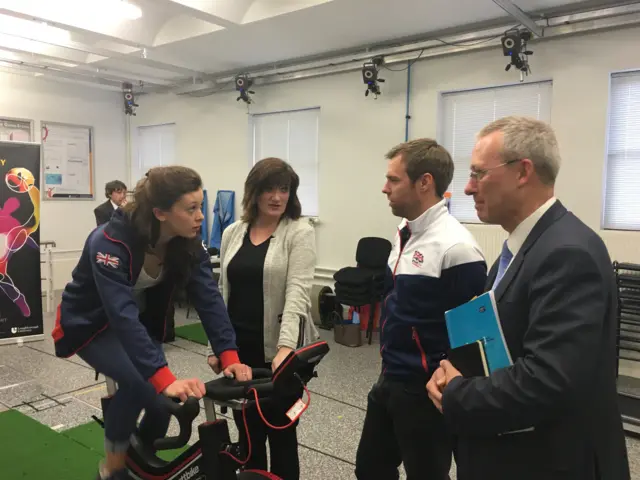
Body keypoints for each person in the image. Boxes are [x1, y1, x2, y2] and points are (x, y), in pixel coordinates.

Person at [426, 116, 630, 480]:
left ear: (523, 172)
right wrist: (454, 371)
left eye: (478, 174)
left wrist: (459, 393)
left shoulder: (567, 252)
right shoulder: (523, 248)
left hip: (548, 462)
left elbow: (548, 379)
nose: (468, 188)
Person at [52, 166, 252, 480]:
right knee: (139, 382)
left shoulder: (186, 240)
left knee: (161, 403)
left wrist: (229, 353)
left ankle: (139, 458)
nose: (200, 216)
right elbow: (119, 313)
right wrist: (160, 374)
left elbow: (208, 296)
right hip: (90, 323)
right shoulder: (108, 240)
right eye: (191, 209)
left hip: (139, 322)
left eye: (200, 206)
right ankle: (113, 471)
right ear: (160, 213)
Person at [355, 139, 487, 480]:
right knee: (370, 468)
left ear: (424, 182)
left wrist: (448, 385)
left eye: (394, 180)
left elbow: (473, 337)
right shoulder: (404, 233)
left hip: (426, 392)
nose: (385, 188)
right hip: (391, 377)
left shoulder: (457, 247)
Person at [207, 157, 318, 480]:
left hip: (278, 354)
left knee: (282, 433)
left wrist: (284, 349)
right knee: (249, 435)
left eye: (283, 189)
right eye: (269, 189)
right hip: (239, 351)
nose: (276, 197)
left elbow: (297, 293)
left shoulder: (299, 232)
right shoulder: (233, 231)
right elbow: (221, 291)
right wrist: (219, 347)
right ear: (254, 192)